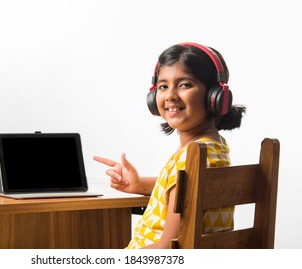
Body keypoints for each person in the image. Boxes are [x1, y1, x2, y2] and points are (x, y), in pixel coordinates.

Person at [93, 42, 246, 249]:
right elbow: (184, 188)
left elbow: (169, 248)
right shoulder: (213, 149)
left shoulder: (192, 157)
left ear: (215, 97)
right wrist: (139, 185)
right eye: (163, 86)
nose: (171, 95)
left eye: (184, 85)